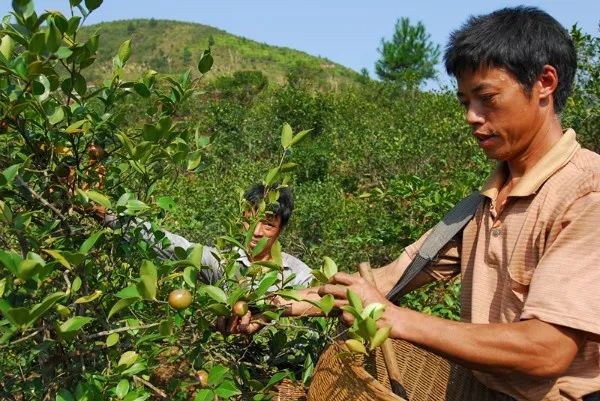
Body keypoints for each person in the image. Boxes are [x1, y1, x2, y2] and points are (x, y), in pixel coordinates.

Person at [269, 7, 600, 401]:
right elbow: (387, 280)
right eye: (465, 102)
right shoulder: (481, 206)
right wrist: (273, 307)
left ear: (545, 82)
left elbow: (546, 350)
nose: (471, 117)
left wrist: (394, 319)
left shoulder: (585, 194)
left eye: (487, 98)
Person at [95, 183, 312, 290]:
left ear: (281, 229)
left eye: (267, 225)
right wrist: (107, 215)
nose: (255, 232)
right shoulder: (224, 263)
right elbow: (170, 245)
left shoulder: (299, 275)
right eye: (250, 221)